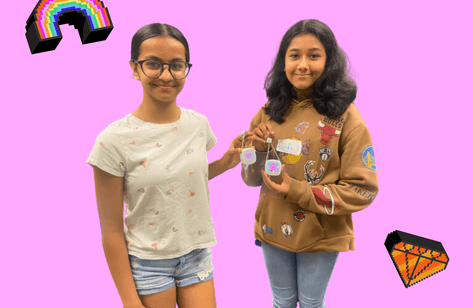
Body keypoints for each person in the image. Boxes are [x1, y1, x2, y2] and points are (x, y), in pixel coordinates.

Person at [87, 23, 254, 308]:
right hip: (147, 264)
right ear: (135, 68)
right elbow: (111, 231)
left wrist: (225, 163)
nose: (166, 75)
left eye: (176, 66)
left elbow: (183, 180)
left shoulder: (198, 124)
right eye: (153, 64)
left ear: (186, 69)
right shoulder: (112, 140)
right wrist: (130, 301)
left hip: (196, 253)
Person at [241, 19, 379, 308]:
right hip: (272, 229)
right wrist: (253, 152)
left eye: (313, 55)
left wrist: (297, 189)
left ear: (329, 62)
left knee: (311, 303)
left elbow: (363, 189)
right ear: (283, 62)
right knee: (282, 302)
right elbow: (251, 178)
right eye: (294, 55)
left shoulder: (347, 118)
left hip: (320, 235)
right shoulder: (267, 112)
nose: (302, 64)